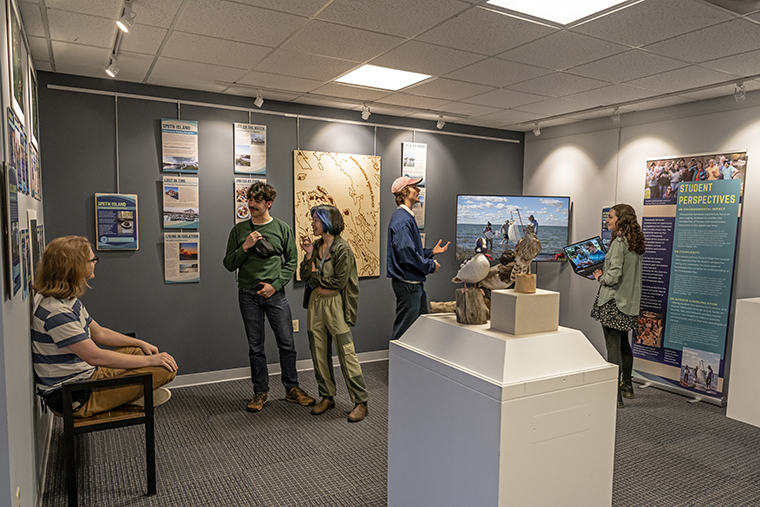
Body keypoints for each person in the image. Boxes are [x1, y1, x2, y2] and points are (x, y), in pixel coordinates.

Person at [31, 236, 178, 418]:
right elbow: (95, 356)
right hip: (74, 394)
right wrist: (151, 362)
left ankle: (127, 393)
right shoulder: (56, 312)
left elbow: (99, 332)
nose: (95, 263)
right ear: (75, 267)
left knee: (142, 352)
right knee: (164, 369)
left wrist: (140, 343)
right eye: (92, 260)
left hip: (85, 375)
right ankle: (127, 396)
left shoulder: (67, 300)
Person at [223, 181, 315, 412]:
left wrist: (274, 286)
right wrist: (245, 246)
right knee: (256, 346)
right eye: (249, 199)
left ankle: (291, 389)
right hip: (247, 295)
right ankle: (260, 392)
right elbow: (228, 264)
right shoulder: (239, 231)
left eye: (256, 201)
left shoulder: (282, 229)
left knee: (287, 343)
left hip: (276, 295)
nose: (251, 204)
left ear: (269, 203)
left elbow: (292, 262)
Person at [300, 205, 369, 422]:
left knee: (347, 353)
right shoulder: (317, 245)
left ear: (327, 222)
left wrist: (314, 277)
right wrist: (309, 255)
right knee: (318, 351)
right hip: (315, 304)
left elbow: (338, 283)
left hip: (335, 305)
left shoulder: (343, 249)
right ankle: (327, 396)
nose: (312, 223)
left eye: (315, 220)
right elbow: (304, 275)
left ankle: (360, 401)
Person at [591, 204, 645, 408]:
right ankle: (627, 387)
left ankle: (615, 397)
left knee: (612, 349)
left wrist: (600, 277)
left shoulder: (618, 243)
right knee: (624, 346)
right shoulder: (635, 243)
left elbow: (613, 277)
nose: (607, 220)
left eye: (611, 217)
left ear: (621, 219)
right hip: (629, 304)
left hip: (613, 303)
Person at [387, 176, 450, 341]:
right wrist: (430, 265)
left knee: (418, 329)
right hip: (408, 286)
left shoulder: (405, 217)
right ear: (405, 192)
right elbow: (407, 254)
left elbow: (409, 251)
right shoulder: (402, 219)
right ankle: (399, 366)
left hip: (413, 285)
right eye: (415, 187)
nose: (419, 190)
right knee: (404, 332)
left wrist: (431, 253)